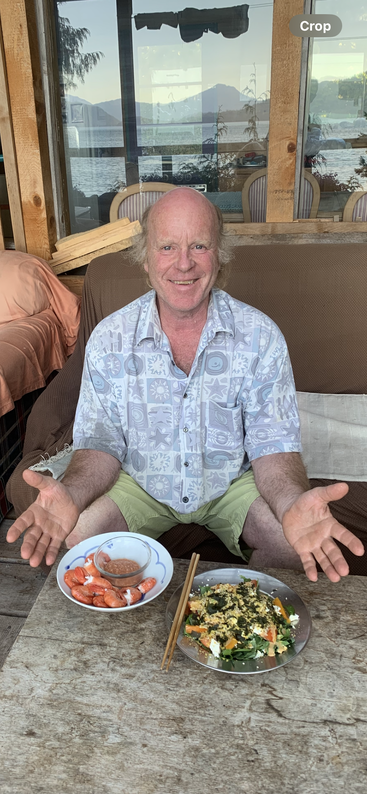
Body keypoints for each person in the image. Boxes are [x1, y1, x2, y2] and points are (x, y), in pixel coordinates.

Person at [7, 188, 364, 582]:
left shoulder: (261, 336)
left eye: (199, 245)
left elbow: (273, 443)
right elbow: (101, 441)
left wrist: (292, 502)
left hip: (231, 483)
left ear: (219, 254)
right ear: (145, 257)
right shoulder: (110, 338)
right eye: (166, 247)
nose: (183, 264)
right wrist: (72, 494)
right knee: (80, 538)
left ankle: (236, 626)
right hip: (140, 481)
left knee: (293, 543)